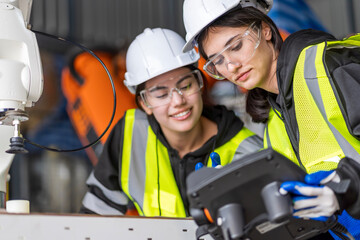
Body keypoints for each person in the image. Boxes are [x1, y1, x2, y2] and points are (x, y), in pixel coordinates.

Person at [182, 0, 360, 238]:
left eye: (235, 46)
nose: (232, 67)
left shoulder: (330, 66)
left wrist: (348, 190)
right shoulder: (273, 119)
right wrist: (241, 193)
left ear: (264, 29)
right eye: (218, 62)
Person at [80, 27, 262, 217]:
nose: (178, 101)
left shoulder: (246, 151)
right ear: (145, 103)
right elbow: (95, 216)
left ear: (200, 84)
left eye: (185, 86)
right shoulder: (131, 136)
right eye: (161, 94)